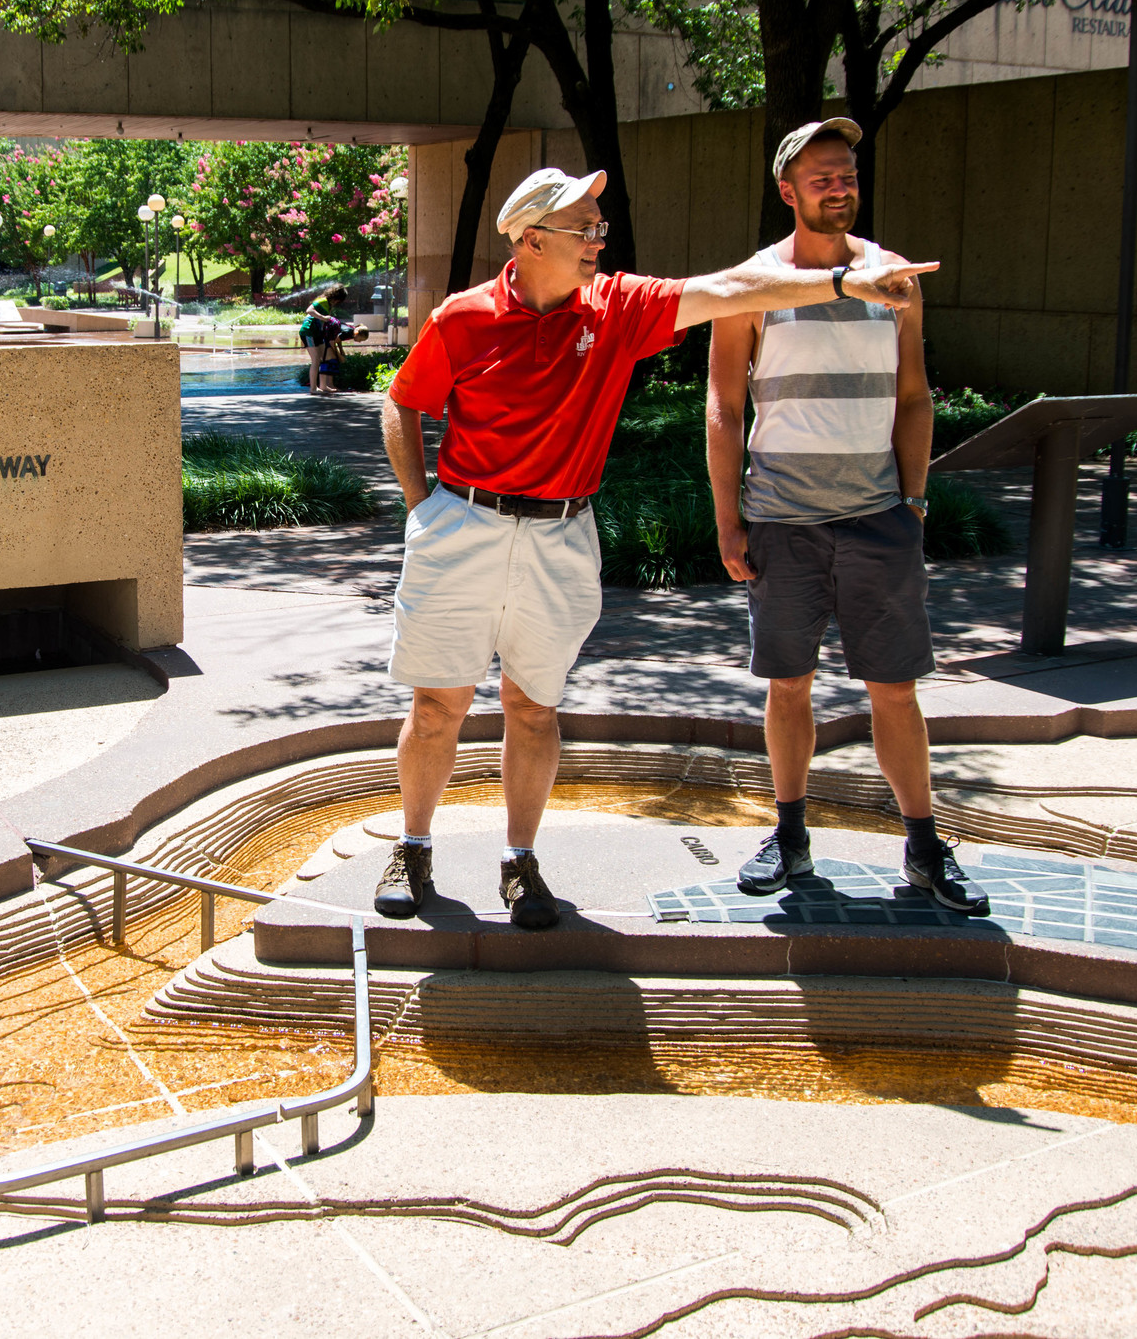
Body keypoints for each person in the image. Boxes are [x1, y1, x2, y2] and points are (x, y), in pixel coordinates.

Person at [377, 166, 937, 928]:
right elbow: (403, 403)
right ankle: (412, 849)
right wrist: (422, 511)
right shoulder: (462, 319)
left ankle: (519, 863)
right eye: (587, 229)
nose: (600, 242)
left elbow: (735, 290)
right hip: (463, 526)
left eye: (602, 227)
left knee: (533, 709)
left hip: (561, 532)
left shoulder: (616, 307)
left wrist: (844, 284)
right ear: (533, 240)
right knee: (439, 705)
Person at [707, 119, 986, 915]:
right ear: (787, 190)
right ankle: (789, 836)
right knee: (788, 686)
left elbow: (913, 396)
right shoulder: (752, 283)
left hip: (877, 521)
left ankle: (925, 847)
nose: (840, 183)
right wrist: (730, 518)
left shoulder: (896, 276)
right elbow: (725, 404)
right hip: (782, 523)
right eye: (822, 174)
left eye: (848, 172)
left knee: (893, 692)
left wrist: (915, 503)